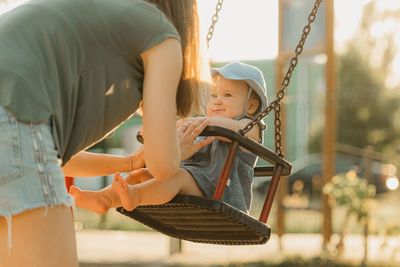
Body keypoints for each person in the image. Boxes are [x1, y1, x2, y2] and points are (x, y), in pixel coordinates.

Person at [0, 0, 211, 266]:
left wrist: (130, 163)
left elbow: (58, 157)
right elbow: (162, 167)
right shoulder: (159, 31)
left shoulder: (88, 19)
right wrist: (175, 149)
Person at [71, 61, 268, 215]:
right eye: (213, 95)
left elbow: (232, 128)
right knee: (144, 174)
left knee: (174, 176)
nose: (217, 101)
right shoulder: (202, 124)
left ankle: (135, 196)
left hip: (221, 194)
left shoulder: (249, 126)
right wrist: (159, 131)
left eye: (227, 95)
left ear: (250, 107)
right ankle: (104, 199)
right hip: (194, 182)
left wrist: (197, 122)